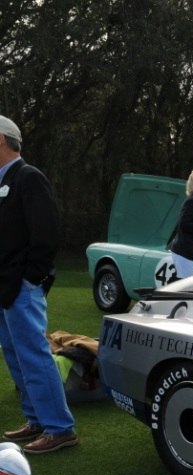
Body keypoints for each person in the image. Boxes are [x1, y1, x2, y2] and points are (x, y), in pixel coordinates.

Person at [0, 115, 78, 453]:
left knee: (34, 355)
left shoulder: (29, 178)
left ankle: (60, 428)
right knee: (15, 354)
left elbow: (46, 233)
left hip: (21, 286)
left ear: (2, 140)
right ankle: (36, 419)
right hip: (4, 286)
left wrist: (33, 279)